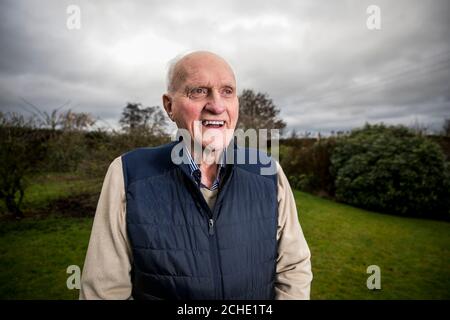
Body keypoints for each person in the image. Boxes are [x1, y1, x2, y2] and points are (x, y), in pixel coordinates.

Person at [79, 51, 312, 300]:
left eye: (227, 91)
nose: (217, 105)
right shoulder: (128, 173)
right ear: (169, 106)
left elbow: (293, 268)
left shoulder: (268, 172)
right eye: (199, 91)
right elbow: (103, 292)